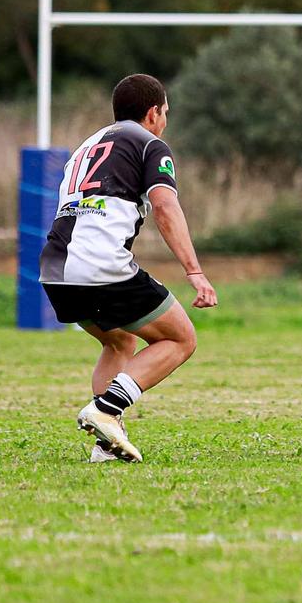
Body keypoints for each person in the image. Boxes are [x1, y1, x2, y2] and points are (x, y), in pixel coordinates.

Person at [39, 73, 218, 463]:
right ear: (153, 113)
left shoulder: (86, 146)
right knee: (181, 338)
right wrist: (195, 271)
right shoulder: (150, 144)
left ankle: (106, 446)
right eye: (165, 112)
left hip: (55, 267)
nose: (165, 121)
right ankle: (105, 410)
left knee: (119, 341)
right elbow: (165, 207)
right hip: (99, 264)